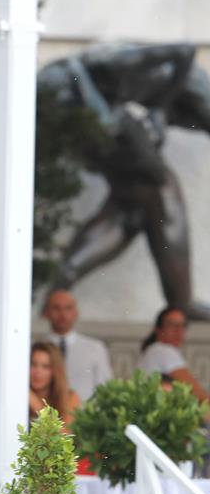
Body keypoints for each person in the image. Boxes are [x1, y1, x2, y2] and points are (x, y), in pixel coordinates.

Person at [39, 44, 210, 318]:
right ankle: (181, 304)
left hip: (149, 190)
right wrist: (156, 106)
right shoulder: (126, 68)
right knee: (156, 183)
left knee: (133, 205)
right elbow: (185, 51)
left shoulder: (152, 98)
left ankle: (63, 282)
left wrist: (158, 110)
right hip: (71, 99)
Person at [42, 289, 113, 402]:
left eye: (68, 308)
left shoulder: (95, 348)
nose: (62, 314)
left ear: (76, 312)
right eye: (56, 308)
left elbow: (105, 388)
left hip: (83, 416)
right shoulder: (37, 347)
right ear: (46, 312)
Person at [139, 306, 209, 404]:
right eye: (173, 325)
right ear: (158, 329)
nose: (179, 331)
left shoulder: (153, 349)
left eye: (182, 325)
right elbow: (197, 392)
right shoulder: (163, 350)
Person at [29, 341, 80, 427]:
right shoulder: (18, 395)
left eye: (46, 367)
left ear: (56, 371)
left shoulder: (69, 397)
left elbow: (65, 437)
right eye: (33, 364)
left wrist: (37, 407)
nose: (38, 372)